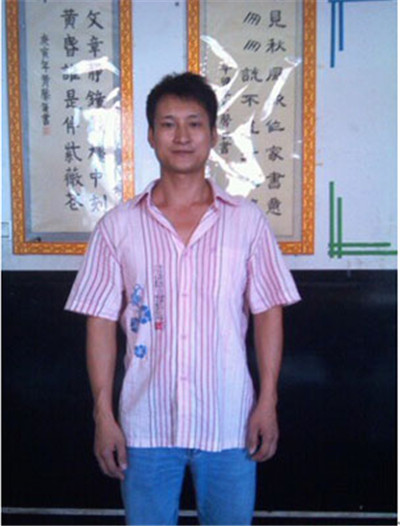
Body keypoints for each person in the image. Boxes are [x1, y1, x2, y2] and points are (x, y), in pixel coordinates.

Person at [65, 72, 300, 526]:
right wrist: (103, 415)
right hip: (145, 424)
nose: (182, 136)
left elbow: (268, 312)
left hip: (229, 422)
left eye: (194, 123)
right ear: (151, 136)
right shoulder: (118, 226)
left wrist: (267, 401)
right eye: (168, 124)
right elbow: (99, 321)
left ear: (213, 135)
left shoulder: (247, 222)